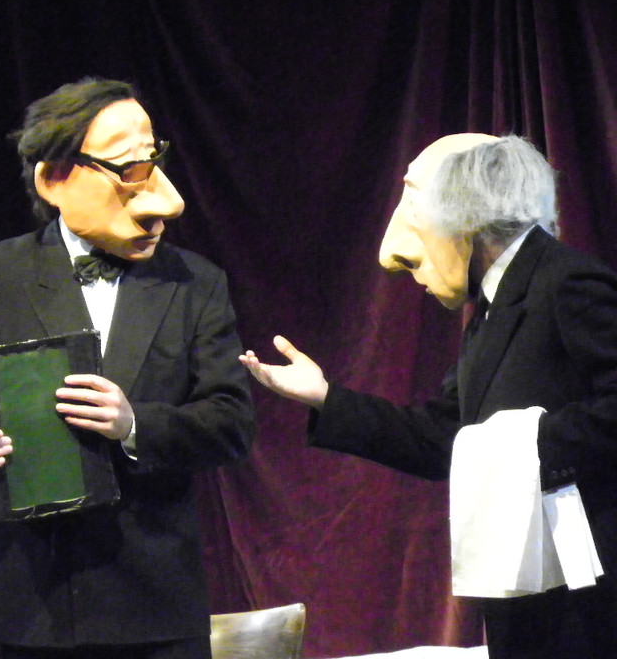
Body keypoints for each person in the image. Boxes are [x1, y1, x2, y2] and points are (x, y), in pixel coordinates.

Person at [241, 132, 617, 659]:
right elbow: (445, 438)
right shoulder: (492, 310)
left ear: (464, 216)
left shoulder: (565, 282)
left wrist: (525, 444)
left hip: (590, 595)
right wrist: (326, 399)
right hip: (530, 594)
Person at [0, 77, 255, 659]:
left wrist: (134, 425)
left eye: (152, 161)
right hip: (34, 604)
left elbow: (231, 421)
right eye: (127, 167)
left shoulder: (195, 282)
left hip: (154, 604)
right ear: (55, 179)